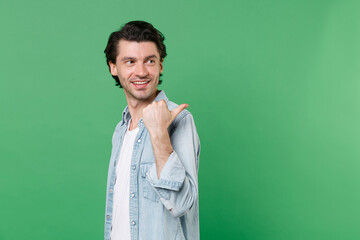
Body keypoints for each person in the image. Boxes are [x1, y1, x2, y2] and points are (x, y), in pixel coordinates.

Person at [103, 21, 200, 240]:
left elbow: (181, 204)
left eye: (150, 61)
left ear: (160, 65)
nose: (141, 71)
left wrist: (159, 134)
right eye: (130, 62)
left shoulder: (180, 120)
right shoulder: (120, 131)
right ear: (113, 67)